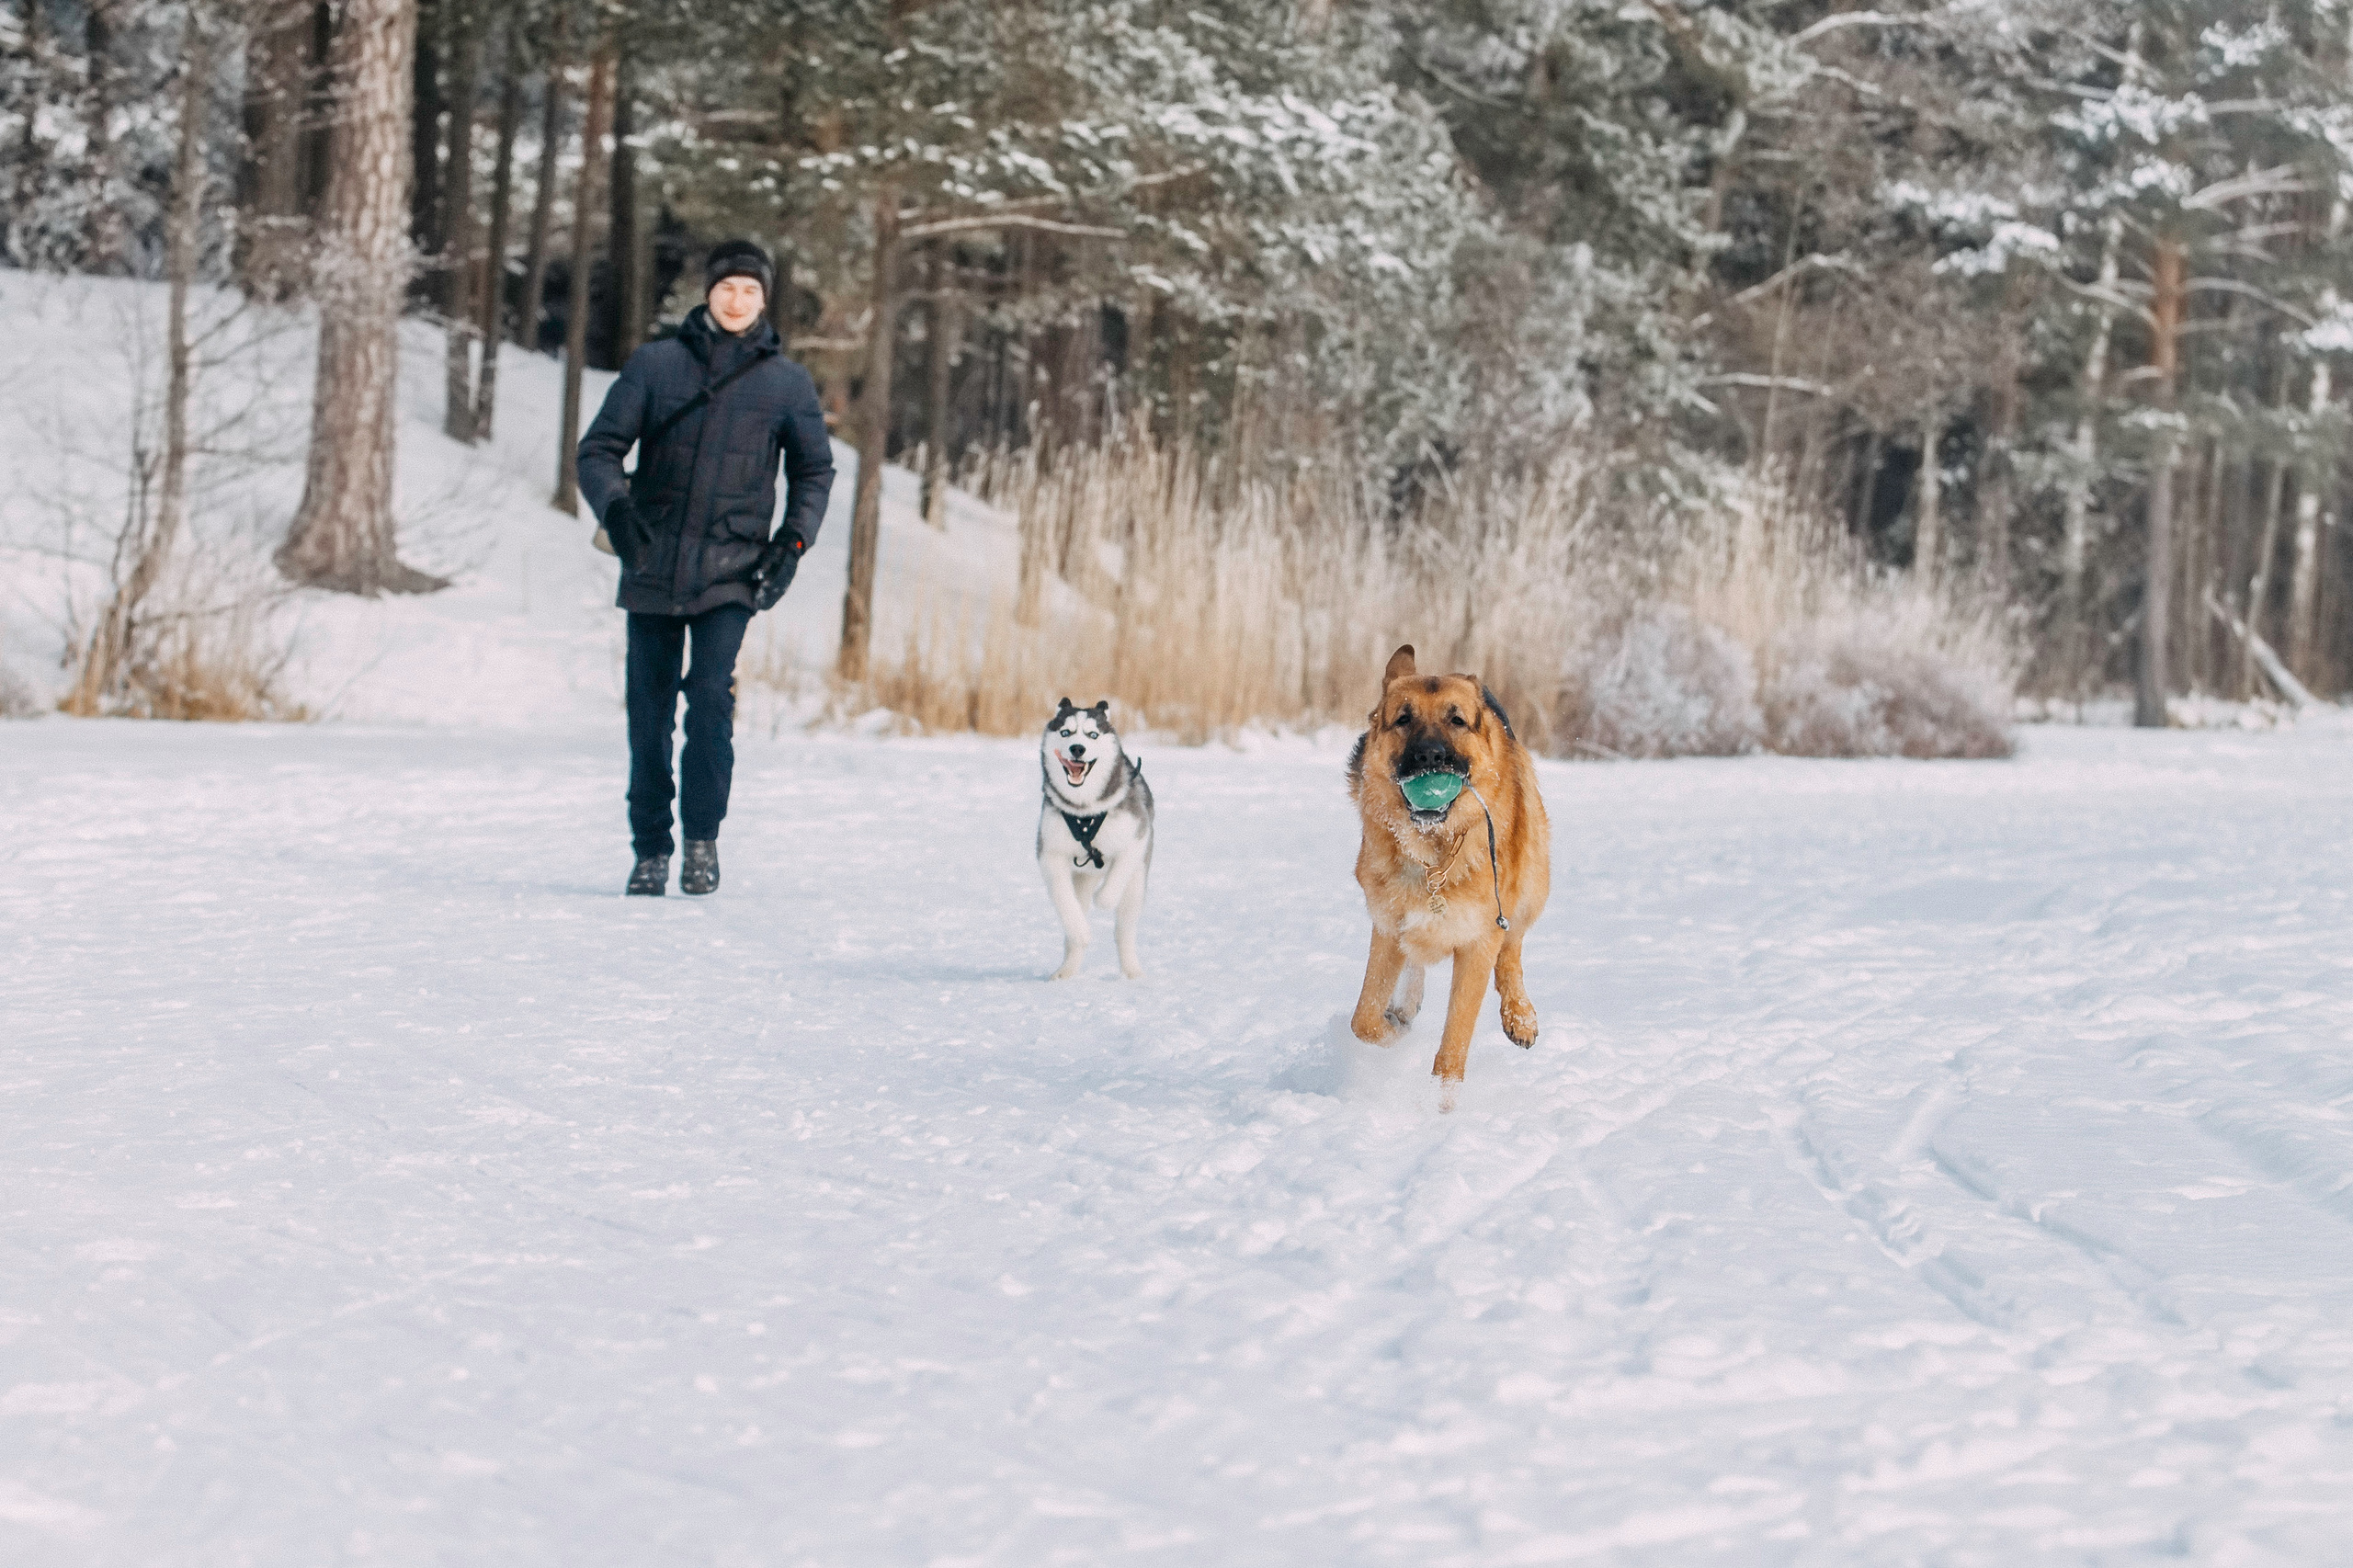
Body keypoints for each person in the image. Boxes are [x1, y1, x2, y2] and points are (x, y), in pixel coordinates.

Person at [578, 240, 834, 896]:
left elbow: (814, 471)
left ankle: (701, 841)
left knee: (711, 703)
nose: (737, 300)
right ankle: (650, 849)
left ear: (764, 299)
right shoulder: (656, 365)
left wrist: (793, 544)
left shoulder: (787, 384)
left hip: (734, 569)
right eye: (727, 288)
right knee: (649, 711)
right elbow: (600, 449)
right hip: (652, 561)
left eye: (750, 291)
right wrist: (616, 511)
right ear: (708, 291)